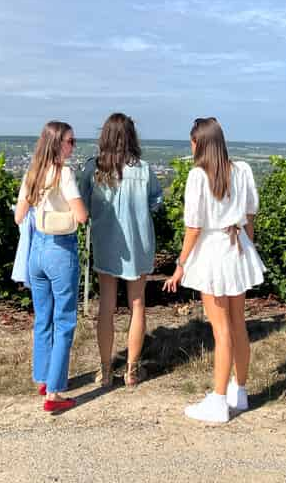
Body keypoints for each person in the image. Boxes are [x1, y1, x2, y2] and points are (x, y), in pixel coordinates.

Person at [163, 117, 265, 423]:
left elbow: (194, 227)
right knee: (238, 325)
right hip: (238, 248)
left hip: (214, 254)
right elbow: (250, 217)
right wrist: (248, 248)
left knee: (221, 332)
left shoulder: (198, 176)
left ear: (199, 143)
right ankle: (240, 392)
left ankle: (219, 401)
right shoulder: (243, 170)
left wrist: (180, 266)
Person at [79, 113, 163, 388]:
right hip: (139, 244)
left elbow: (83, 206)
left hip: (106, 244)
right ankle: (132, 370)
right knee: (137, 304)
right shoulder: (144, 170)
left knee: (106, 306)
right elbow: (156, 201)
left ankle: (105, 371)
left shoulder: (93, 169)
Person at [15, 121, 88, 412]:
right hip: (61, 250)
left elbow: (20, 215)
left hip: (37, 252)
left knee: (42, 318)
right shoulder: (64, 174)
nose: (73, 146)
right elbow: (81, 216)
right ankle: (54, 394)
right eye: (70, 141)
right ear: (57, 144)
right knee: (65, 320)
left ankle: (43, 378)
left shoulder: (32, 173)